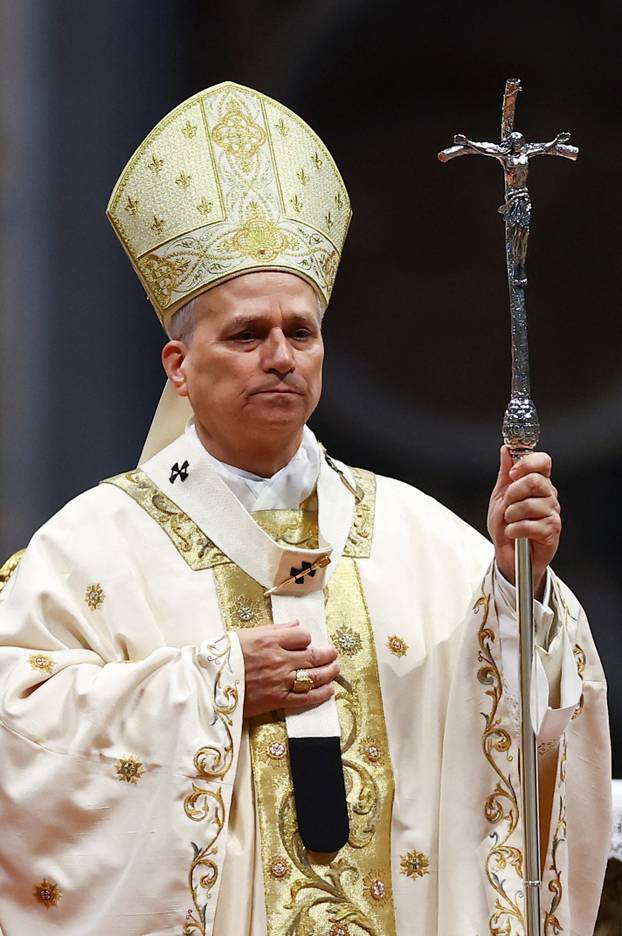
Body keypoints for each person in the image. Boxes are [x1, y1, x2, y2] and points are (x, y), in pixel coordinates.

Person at [0, 82, 611, 936]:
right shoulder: (91, 551)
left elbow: (515, 730)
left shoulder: (424, 539)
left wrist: (522, 590)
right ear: (179, 364)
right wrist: (208, 688)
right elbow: (16, 735)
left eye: (302, 332)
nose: (280, 356)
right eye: (247, 336)